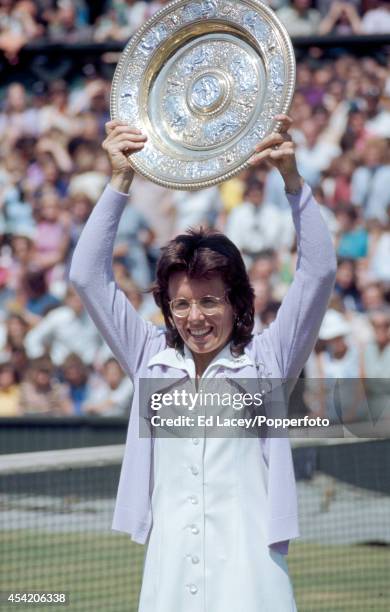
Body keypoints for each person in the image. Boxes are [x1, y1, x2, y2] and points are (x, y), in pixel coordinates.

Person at [69, 115, 336, 611]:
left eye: (210, 301)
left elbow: (318, 271)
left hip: (252, 582)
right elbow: (86, 275)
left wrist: (294, 183)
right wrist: (119, 182)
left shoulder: (269, 361)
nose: (195, 318)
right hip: (168, 580)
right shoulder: (150, 358)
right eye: (181, 304)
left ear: (236, 301)